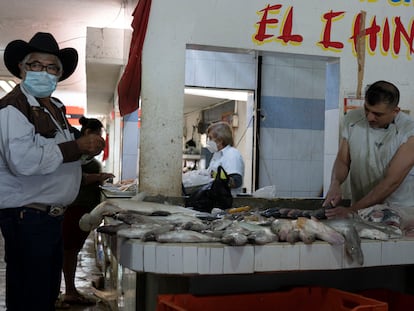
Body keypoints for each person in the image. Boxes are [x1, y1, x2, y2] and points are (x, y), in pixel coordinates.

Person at [0, 32, 105, 311]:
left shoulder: (54, 108)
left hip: (48, 219)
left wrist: (87, 148)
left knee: (44, 295)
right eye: (36, 65)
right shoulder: (14, 108)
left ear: (59, 74)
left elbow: (61, 156)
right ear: (22, 68)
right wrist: (76, 146)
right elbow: (23, 161)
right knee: (30, 298)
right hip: (28, 219)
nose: (43, 72)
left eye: (51, 67)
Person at [323, 80, 414, 224]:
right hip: (361, 208)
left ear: (395, 111)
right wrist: (335, 183)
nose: (369, 117)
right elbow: (342, 160)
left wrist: (352, 210)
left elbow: (392, 182)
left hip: (399, 212)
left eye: (378, 114)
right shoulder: (352, 119)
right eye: (367, 109)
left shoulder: (408, 132)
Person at [60, 117, 114, 306]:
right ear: (88, 133)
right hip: (75, 206)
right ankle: (69, 292)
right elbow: (77, 178)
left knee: (71, 250)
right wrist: (99, 176)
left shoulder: (84, 153)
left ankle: (69, 290)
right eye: (97, 134)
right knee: (69, 251)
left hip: (82, 207)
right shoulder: (76, 151)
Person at [205, 121, 245, 195]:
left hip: (227, 201)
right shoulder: (217, 155)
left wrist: (218, 180)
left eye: (210, 138)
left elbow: (237, 181)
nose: (208, 142)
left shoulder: (232, 154)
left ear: (220, 140)